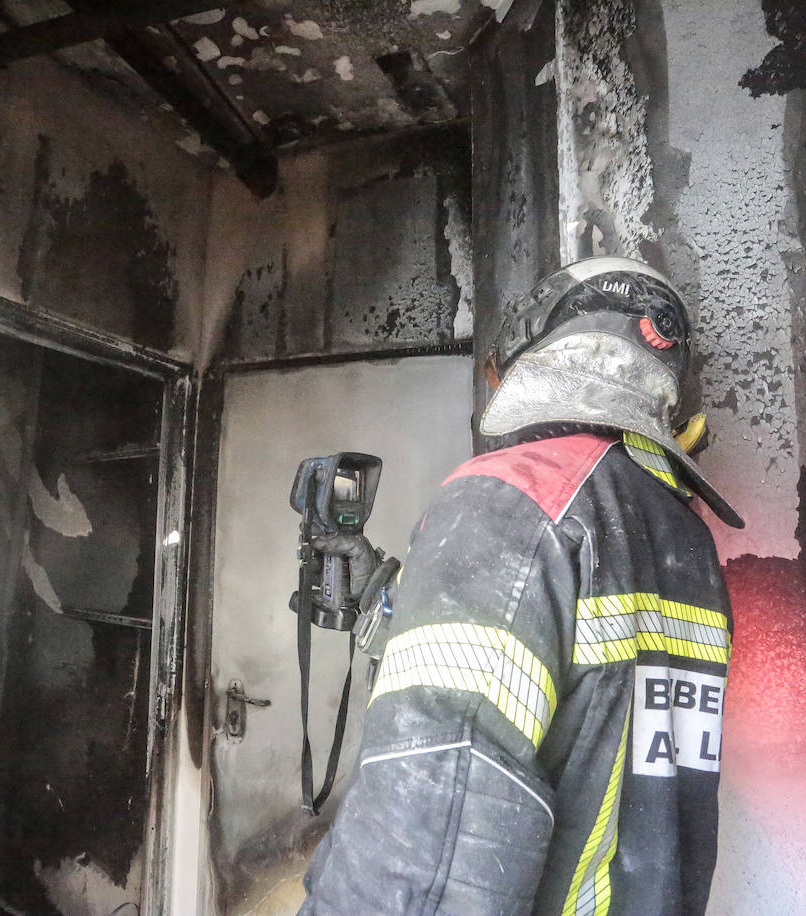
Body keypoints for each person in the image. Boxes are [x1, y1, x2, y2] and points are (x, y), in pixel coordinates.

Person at [300, 256, 743, 916]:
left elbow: (430, 838)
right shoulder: (683, 536)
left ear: (535, 353)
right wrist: (378, 600)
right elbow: (581, 698)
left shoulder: (516, 498)